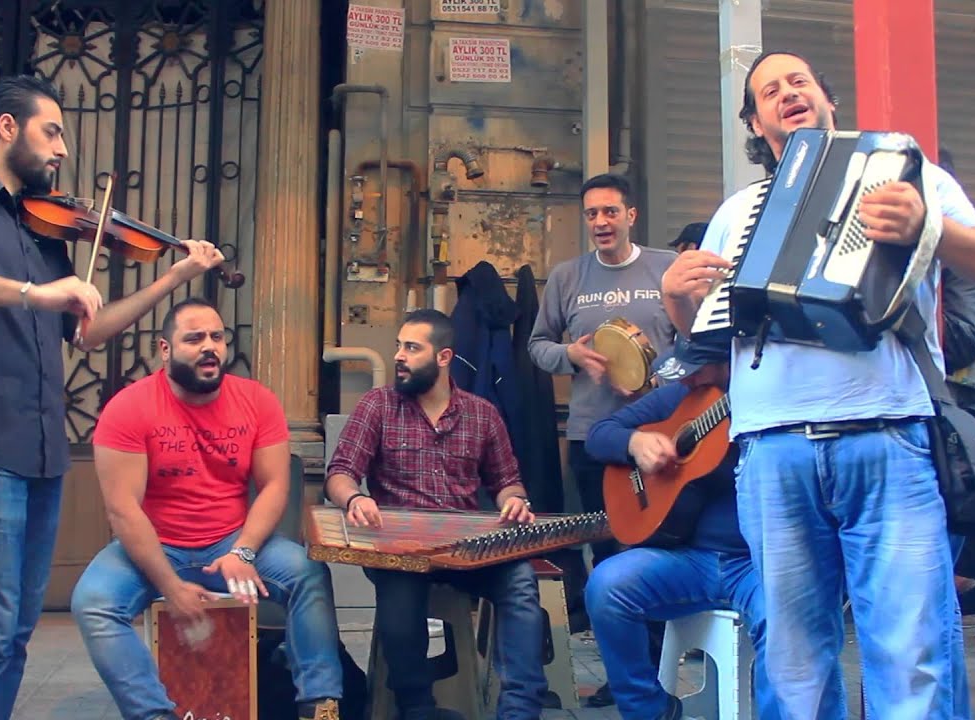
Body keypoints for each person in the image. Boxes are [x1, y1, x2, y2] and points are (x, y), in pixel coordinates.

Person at [661, 50, 975, 719]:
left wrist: (925, 229)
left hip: (886, 435)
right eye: (769, 90)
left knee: (909, 655)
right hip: (772, 450)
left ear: (828, 98)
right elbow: (708, 354)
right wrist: (677, 299)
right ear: (756, 121)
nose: (787, 93)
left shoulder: (908, 175)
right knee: (792, 661)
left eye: (798, 81)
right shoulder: (735, 214)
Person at [0, 75, 227, 720]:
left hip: (41, 453)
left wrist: (174, 276)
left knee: (15, 632)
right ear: (6, 128)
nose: (63, 149)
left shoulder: (43, 229)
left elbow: (88, 332)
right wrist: (30, 292)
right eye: (53, 131)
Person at [70, 298, 343, 720]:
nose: (209, 347)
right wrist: (171, 586)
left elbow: (274, 487)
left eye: (217, 336)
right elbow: (123, 510)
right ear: (164, 349)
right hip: (154, 546)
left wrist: (243, 551)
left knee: (309, 574)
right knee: (93, 602)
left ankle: (319, 704)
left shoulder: (256, 400)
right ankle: (154, 713)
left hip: (231, 540)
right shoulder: (128, 408)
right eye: (194, 338)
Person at [325, 309, 547, 720]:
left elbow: (507, 481)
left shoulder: (482, 413)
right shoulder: (378, 405)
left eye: (412, 348)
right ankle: (417, 709)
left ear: (443, 357)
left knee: (520, 579)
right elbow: (340, 473)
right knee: (399, 597)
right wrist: (355, 499)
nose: (399, 357)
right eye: (398, 346)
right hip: (400, 550)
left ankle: (520, 710)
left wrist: (515, 502)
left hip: (465, 550)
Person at [582, 337, 780, 720]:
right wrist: (634, 441)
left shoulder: (769, 399)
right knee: (607, 586)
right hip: (688, 558)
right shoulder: (682, 397)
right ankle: (649, 711)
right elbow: (599, 434)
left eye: (695, 372)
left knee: (786, 617)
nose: (685, 382)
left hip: (758, 563)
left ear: (729, 364)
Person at [528, 172, 677, 646]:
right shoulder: (568, 277)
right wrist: (569, 355)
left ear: (631, 216)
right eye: (592, 213)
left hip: (663, 430)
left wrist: (659, 378)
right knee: (608, 551)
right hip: (594, 435)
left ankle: (660, 659)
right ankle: (623, 666)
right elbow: (537, 346)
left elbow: (696, 342)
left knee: (657, 545)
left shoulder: (666, 269)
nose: (600, 222)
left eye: (610, 211)